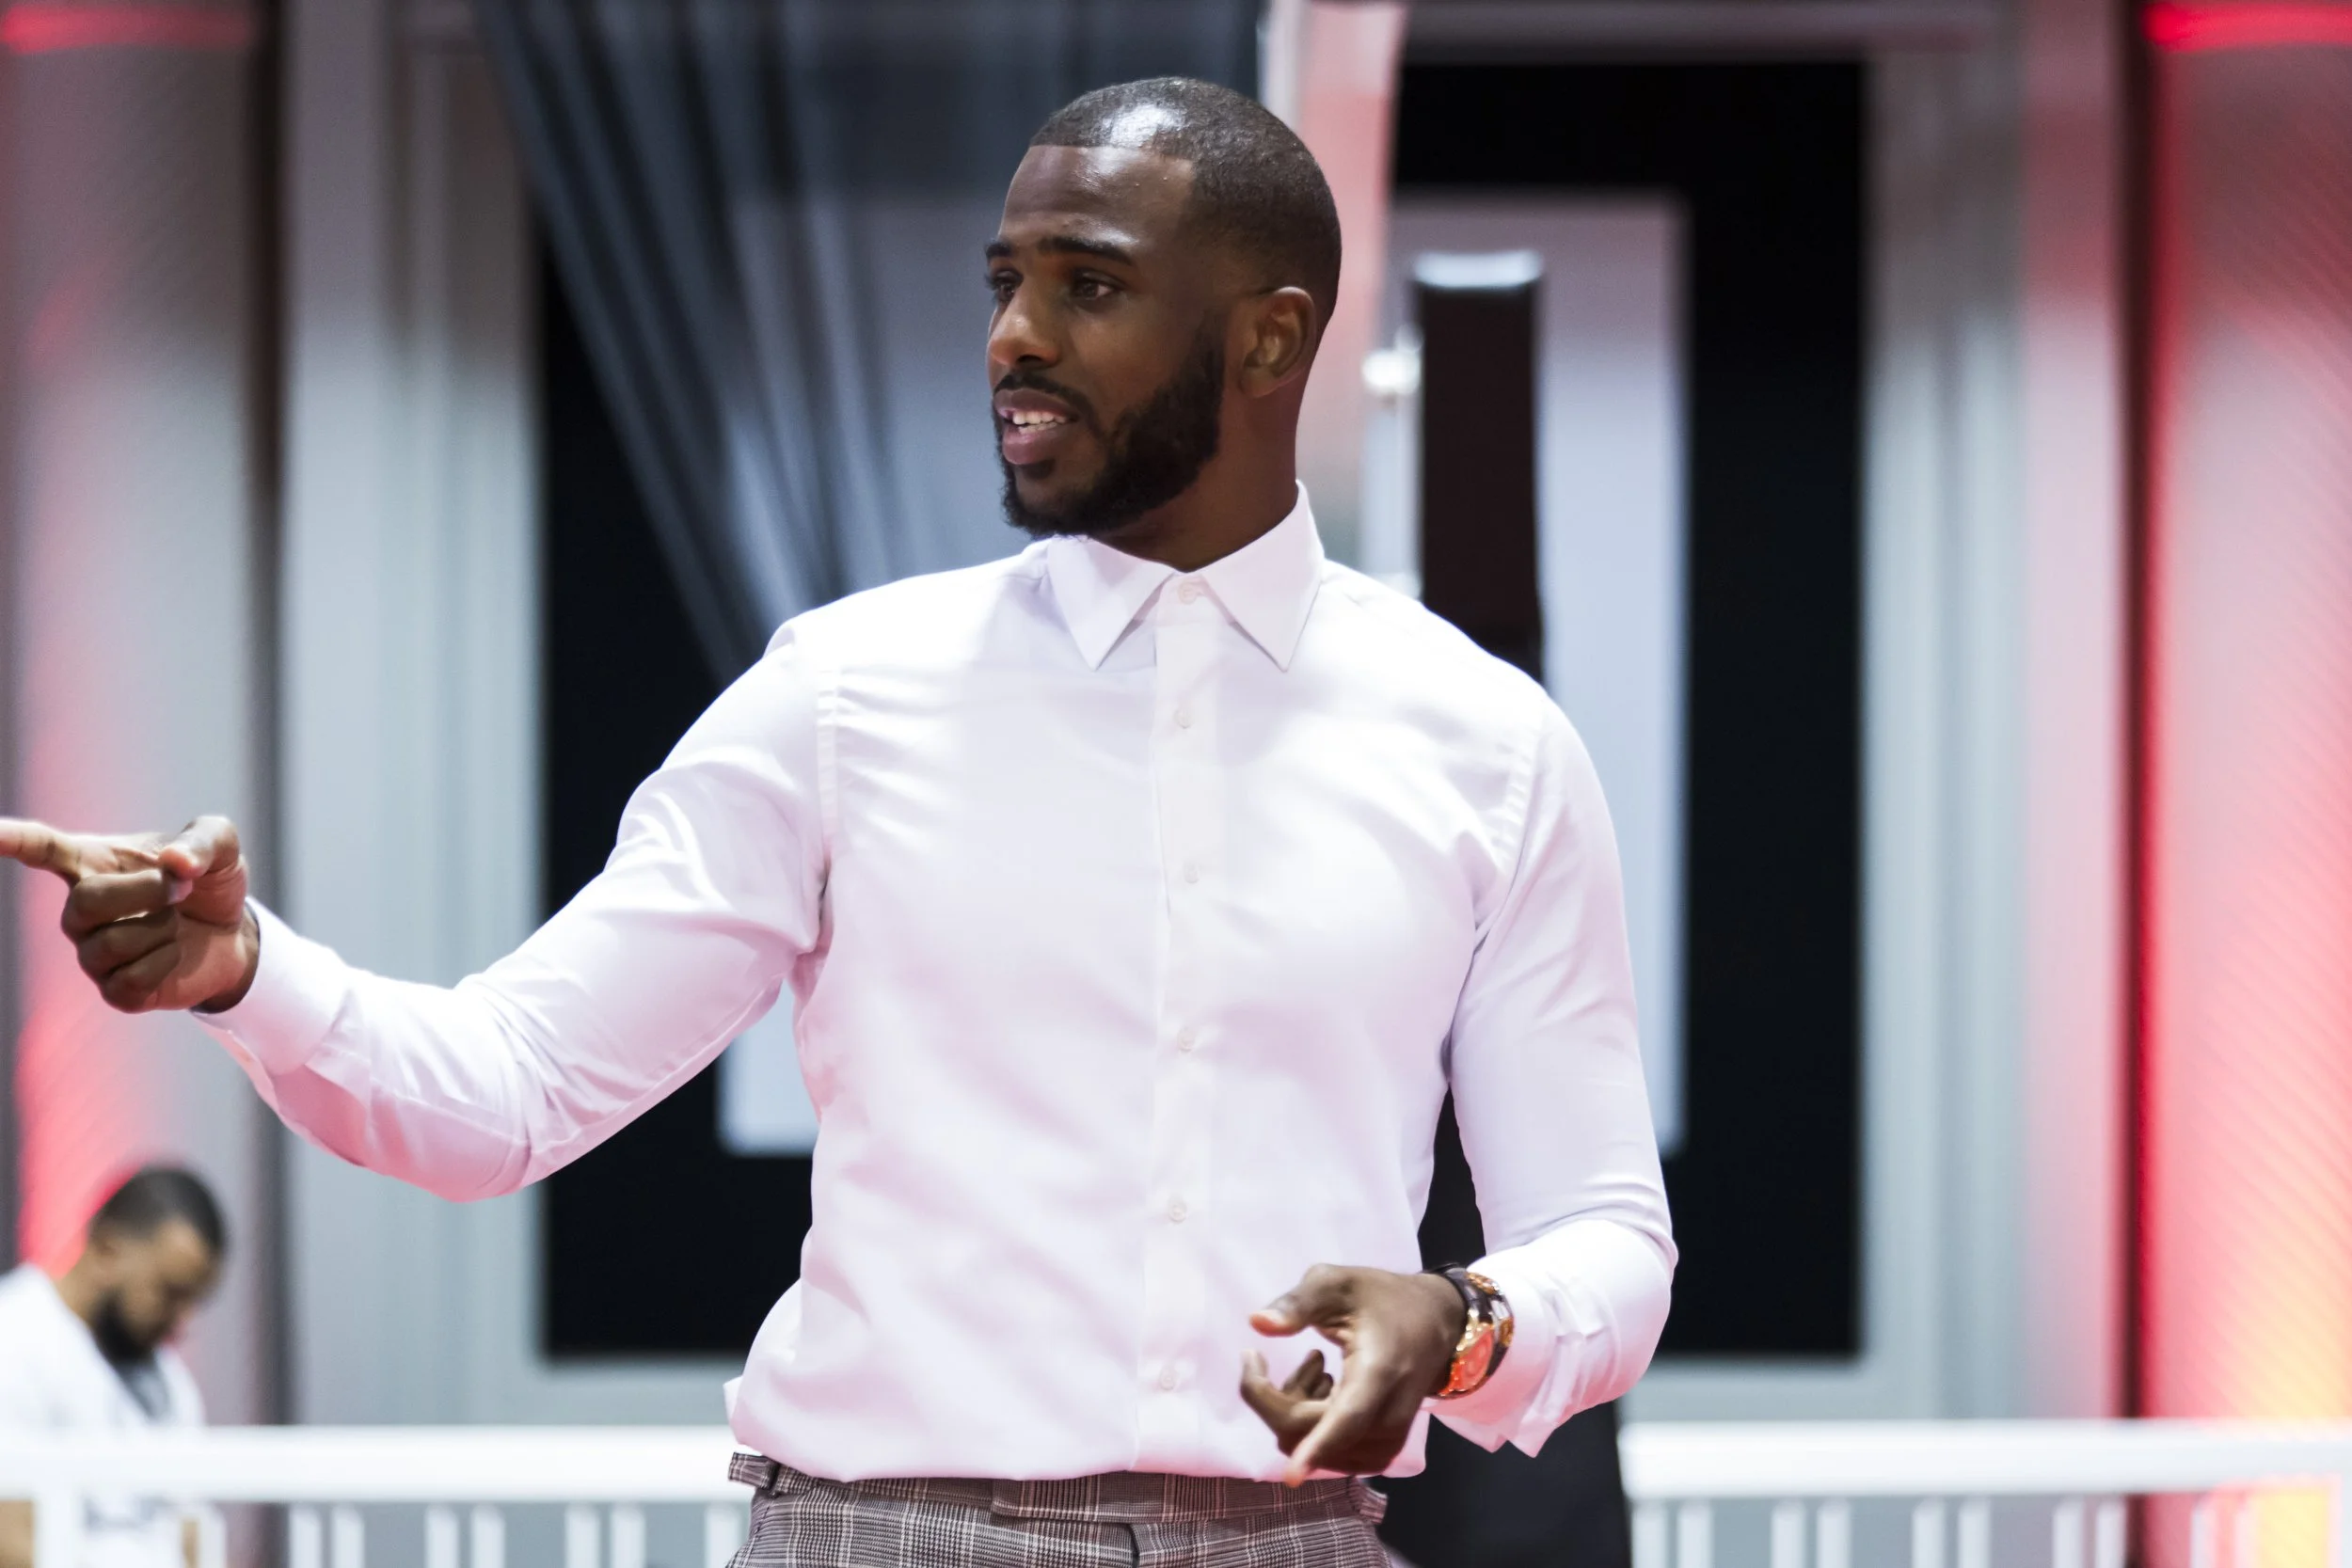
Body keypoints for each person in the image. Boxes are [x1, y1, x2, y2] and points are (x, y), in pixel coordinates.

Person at [0, 77, 1674, 1567]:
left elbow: (1608, 1237)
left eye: (1087, 285)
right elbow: (506, 1090)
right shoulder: (845, 694)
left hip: (1293, 1541)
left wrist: (1465, 1321)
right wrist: (246, 970)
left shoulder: (1489, 744)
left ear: (1270, 339)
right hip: (876, 1534)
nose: (1015, 336)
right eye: (1005, 283)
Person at [0, 1167, 224, 1568]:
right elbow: (10, 1542)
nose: (182, 1321)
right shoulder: (15, 1340)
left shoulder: (170, 1383)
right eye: (169, 1292)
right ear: (106, 1250)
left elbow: (193, 1537)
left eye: (194, 1301)